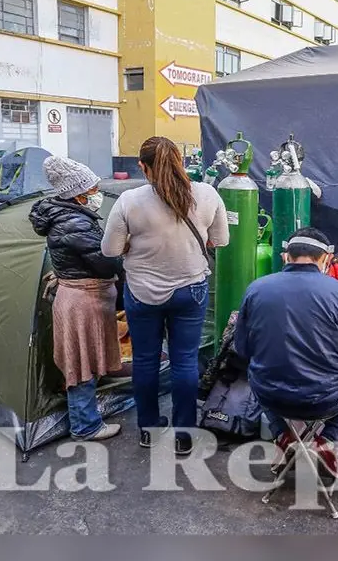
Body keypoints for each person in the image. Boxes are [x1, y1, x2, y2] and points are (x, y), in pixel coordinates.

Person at [102, 136, 229, 455]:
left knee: (145, 361)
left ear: (143, 167)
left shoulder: (129, 200)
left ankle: (149, 430)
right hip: (191, 289)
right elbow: (221, 240)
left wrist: (133, 244)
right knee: (184, 360)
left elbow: (110, 250)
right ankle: (185, 434)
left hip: (142, 292)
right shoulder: (207, 194)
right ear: (180, 162)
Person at [233, 227, 338, 480]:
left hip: (270, 395)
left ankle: (282, 434)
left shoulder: (256, 289)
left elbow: (242, 350)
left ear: (285, 256)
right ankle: (328, 439)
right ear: (325, 259)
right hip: (325, 399)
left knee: (254, 372)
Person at [29, 156, 124, 441]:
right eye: (92, 189)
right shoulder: (73, 223)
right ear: (77, 194)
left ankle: (87, 416)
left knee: (83, 358)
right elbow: (107, 263)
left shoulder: (69, 216)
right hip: (82, 302)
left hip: (79, 297)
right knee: (81, 362)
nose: (96, 194)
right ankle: (86, 426)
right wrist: (124, 248)